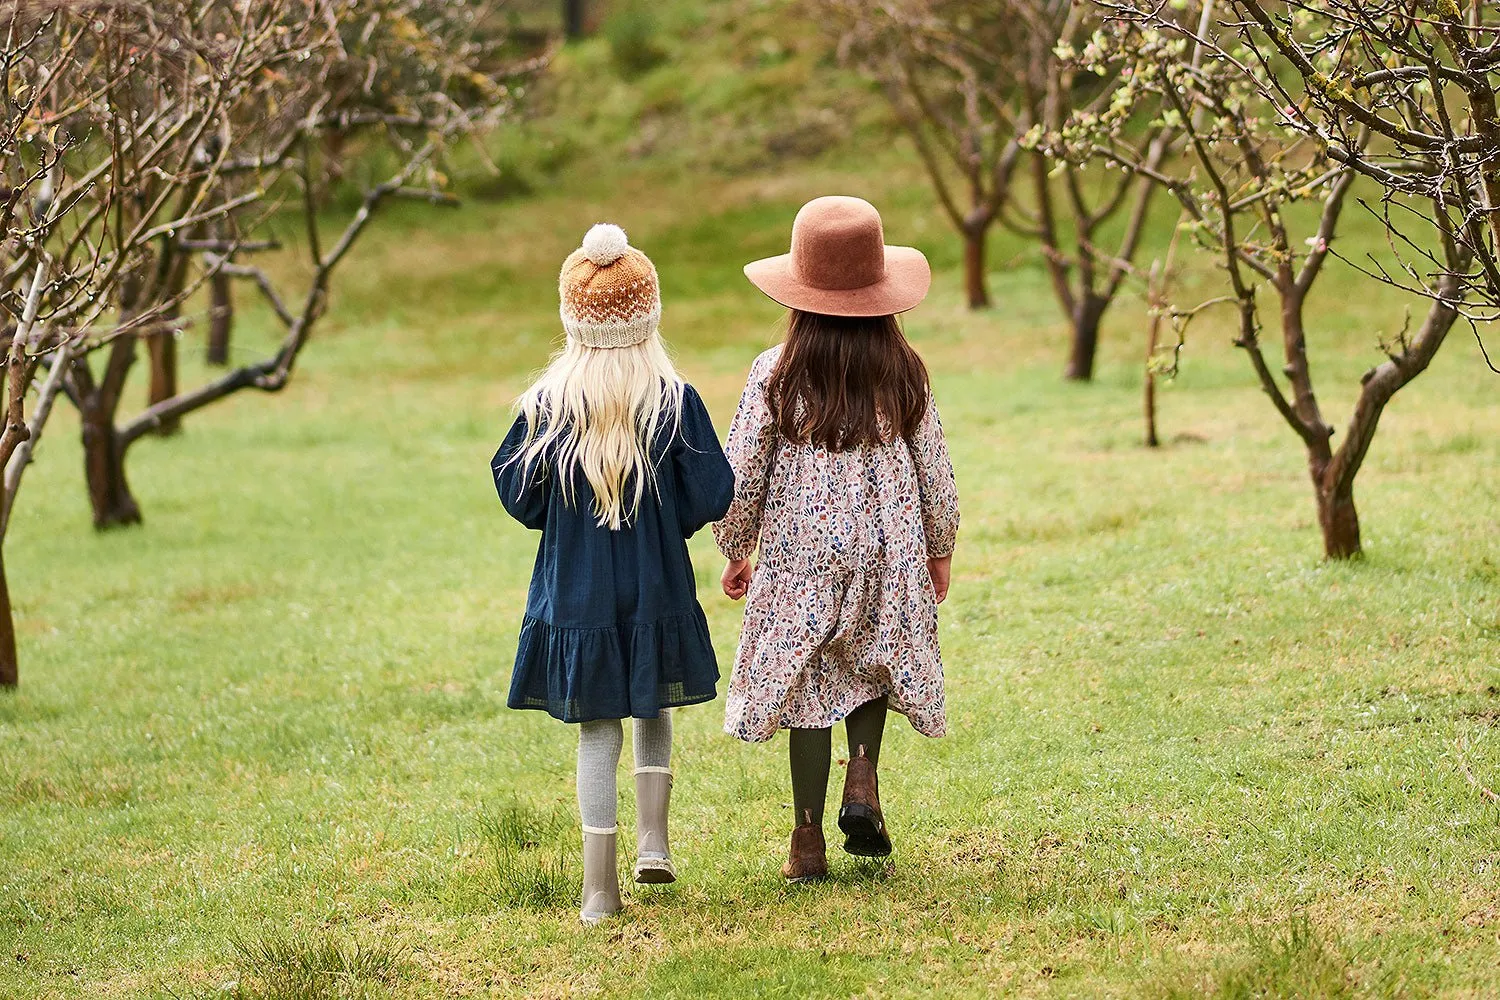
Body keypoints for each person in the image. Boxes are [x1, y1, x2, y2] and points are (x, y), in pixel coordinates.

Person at [492, 223, 734, 923]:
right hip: (654, 580)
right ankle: (653, 841)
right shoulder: (672, 398)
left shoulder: (547, 406)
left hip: (578, 592)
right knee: (653, 701)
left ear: (572, 320)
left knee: (596, 730)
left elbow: (518, 494)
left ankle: (599, 891)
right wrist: (668, 523)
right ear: (649, 316)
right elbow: (712, 490)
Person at [714, 196, 959, 881]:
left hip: (801, 556)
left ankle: (806, 840)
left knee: (809, 689)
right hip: (888, 547)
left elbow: (744, 467)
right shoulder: (902, 369)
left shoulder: (777, 370)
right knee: (875, 657)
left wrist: (736, 544)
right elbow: (932, 466)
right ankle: (864, 776)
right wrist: (938, 546)